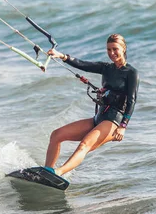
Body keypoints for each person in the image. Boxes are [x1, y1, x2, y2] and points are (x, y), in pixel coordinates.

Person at [44, 34, 139, 176]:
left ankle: (58, 173)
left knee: (84, 145)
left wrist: (123, 126)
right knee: (56, 135)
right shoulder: (106, 68)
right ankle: (47, 171)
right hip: (99, 117)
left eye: (115, 49)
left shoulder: (131, 73)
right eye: (108, 50)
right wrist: (61, 56)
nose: (111, 53)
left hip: (113, 121)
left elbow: (132, 100)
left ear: (123, 48)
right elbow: (83, 64)